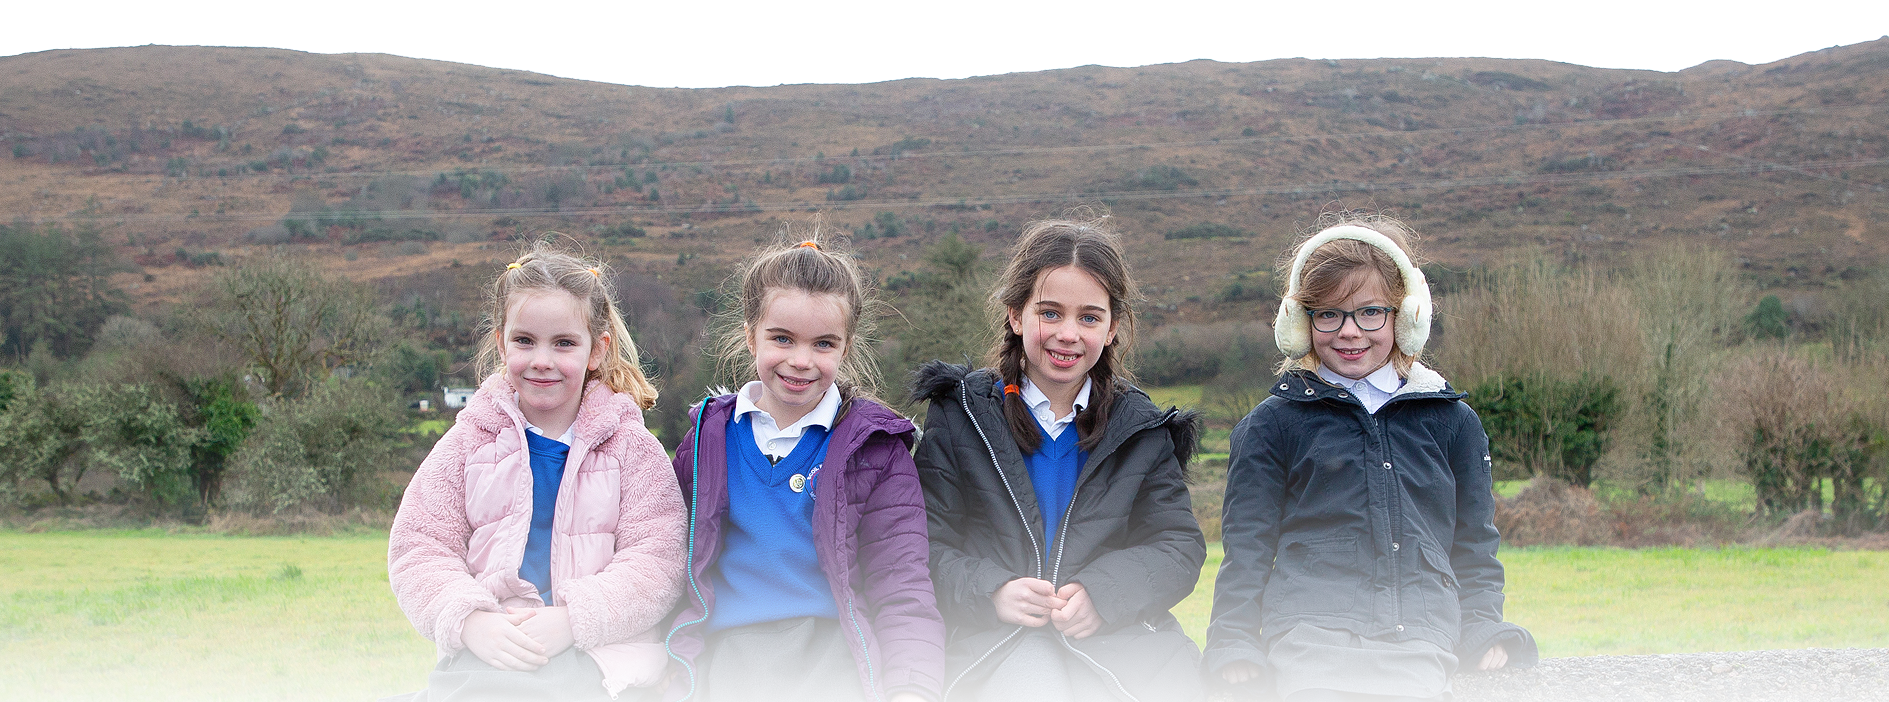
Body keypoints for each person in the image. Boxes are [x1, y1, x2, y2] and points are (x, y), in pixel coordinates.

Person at [1203, 215, 1539, 702]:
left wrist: (1482, 623)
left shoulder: (1453, 422)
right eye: (1328, 314)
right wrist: (1233, 638)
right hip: (1308, 634)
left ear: (1405, 317)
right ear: (1300, 323)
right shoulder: (1272, 424)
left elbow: (1474, 542)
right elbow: (1247, 547)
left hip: (1418, 635)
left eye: (1370, 313)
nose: (1349, 332)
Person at [912, 216, 1207, 702]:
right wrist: (994, 592)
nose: (1068, 334)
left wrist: (1103, 594)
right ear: (1015, 314)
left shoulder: (1141, 428)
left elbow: (1177, 546)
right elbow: (924, 543)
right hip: (995, 641)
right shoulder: (961, 413)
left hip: (1115, 637)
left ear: (1112, 328)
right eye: (1050, 313)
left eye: (1089, 317)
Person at [385, 240, 688, 702]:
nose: (542, 360)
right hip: (493, 647)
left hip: (601, 659)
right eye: (524, 341)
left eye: (564, 343)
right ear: (500, 343)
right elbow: (419, 547)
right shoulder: (468, 442)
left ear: (597, 350)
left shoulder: (633, 449)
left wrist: (575, 619)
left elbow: (659, 561)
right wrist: (471, 622)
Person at [661, 235, 943, 702]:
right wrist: (658, 649)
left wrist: (911, 690)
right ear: (751, 334)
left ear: (846, 347)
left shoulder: (875, 452)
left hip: (834, 654)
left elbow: (902, 587)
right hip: (722, 656)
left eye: (823, 344)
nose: (801, 361)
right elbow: (668, 561)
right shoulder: (706, 441)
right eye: (782, 339)